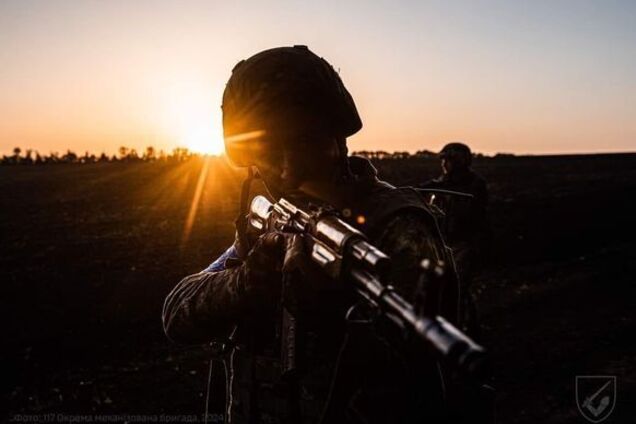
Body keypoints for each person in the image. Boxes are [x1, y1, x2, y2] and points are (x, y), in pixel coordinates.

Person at [162, 45, 466, 424]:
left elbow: (421, 381)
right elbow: (176, 314)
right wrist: (246, 282)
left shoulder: (399, 230)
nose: (287, 172)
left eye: (304, 144)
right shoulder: (272, 223)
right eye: (269, 152)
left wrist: (338, 313)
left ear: (338, 137)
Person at [419, 142, 490, 335]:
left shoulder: (474, 184)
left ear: (459, 161)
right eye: (443, 159)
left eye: (447, 159)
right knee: (450, 288)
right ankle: (465, 327)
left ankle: (460, 331)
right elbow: (427, 188)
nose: (444, 163)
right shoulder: (442, 182)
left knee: (458, 286)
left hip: (465, 243)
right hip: (445, 243)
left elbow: (473, 214)